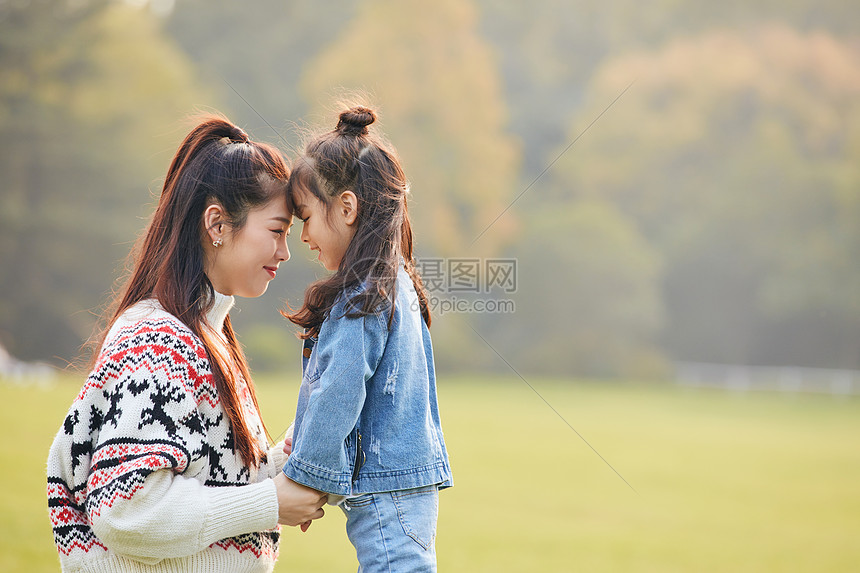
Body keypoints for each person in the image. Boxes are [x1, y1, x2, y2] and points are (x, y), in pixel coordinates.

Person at [46, 116, 327, 573]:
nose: (285, 252)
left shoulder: (204, 334)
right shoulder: (157, 341)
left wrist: (292, 459)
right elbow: (128, 511)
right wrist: (269, 503)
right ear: (216, 223)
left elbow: (210, 486)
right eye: (277, 231)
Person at [282, 105, 453, 572]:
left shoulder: (363, 296)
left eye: (305, 218)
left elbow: (339, 389)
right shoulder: (396, 280)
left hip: (386, 495)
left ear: (346, 207)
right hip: (408, 486)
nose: (302, 236)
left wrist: (304, 480)